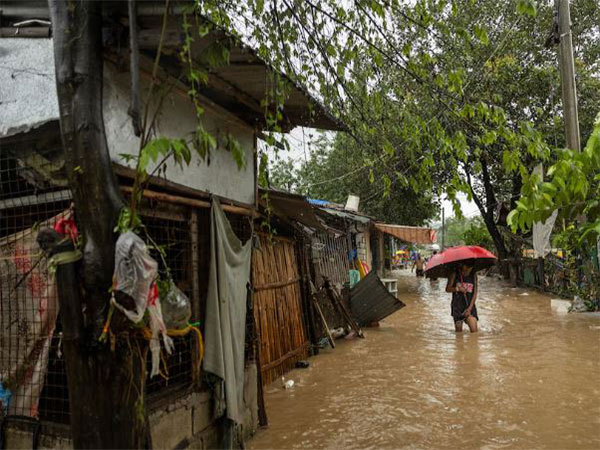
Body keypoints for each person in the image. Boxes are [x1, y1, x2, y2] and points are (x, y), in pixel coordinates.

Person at [445, 260, 478, 332]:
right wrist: (458, 289)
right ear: (463, 266)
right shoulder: (454, 274)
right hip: (457, 307)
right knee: (459, 334)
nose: (468, 270)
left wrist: (469, 309)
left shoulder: (473, 275)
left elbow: (475, 293)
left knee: (474, 330)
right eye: (467, 268)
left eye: (470, 268)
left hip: (470, 306)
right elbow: (447, 289)